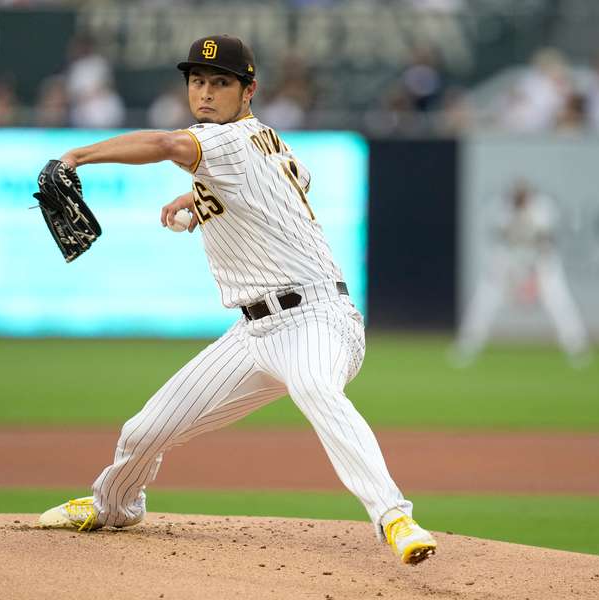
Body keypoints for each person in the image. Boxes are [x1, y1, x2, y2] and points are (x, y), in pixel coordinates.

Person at [36, 35, 436, 566]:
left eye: (220, 82)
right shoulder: (268, 141)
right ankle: (115, 504)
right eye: (197, 81)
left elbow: (165, 145)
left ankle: (395, 518)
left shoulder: (219, 141)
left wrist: (77, 155)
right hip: (253, 333)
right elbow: (289, 184)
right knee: (144, 429)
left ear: (248, 90)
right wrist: (203, 201)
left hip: (317, 319)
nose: (204, 92)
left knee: (316, 387)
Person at [452, 180, 590, 367]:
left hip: (540, 261)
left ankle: (577, 347)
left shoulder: (543, 208)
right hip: (509, 260)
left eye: (522, 195)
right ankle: (467, 346)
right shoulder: (502, 208)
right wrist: (511, 278)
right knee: (485, 300)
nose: (519, 199)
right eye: (516, 196)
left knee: (559, 301)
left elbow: (546, 244)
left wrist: (534, 278)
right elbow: (502, 243)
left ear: (530, 195)